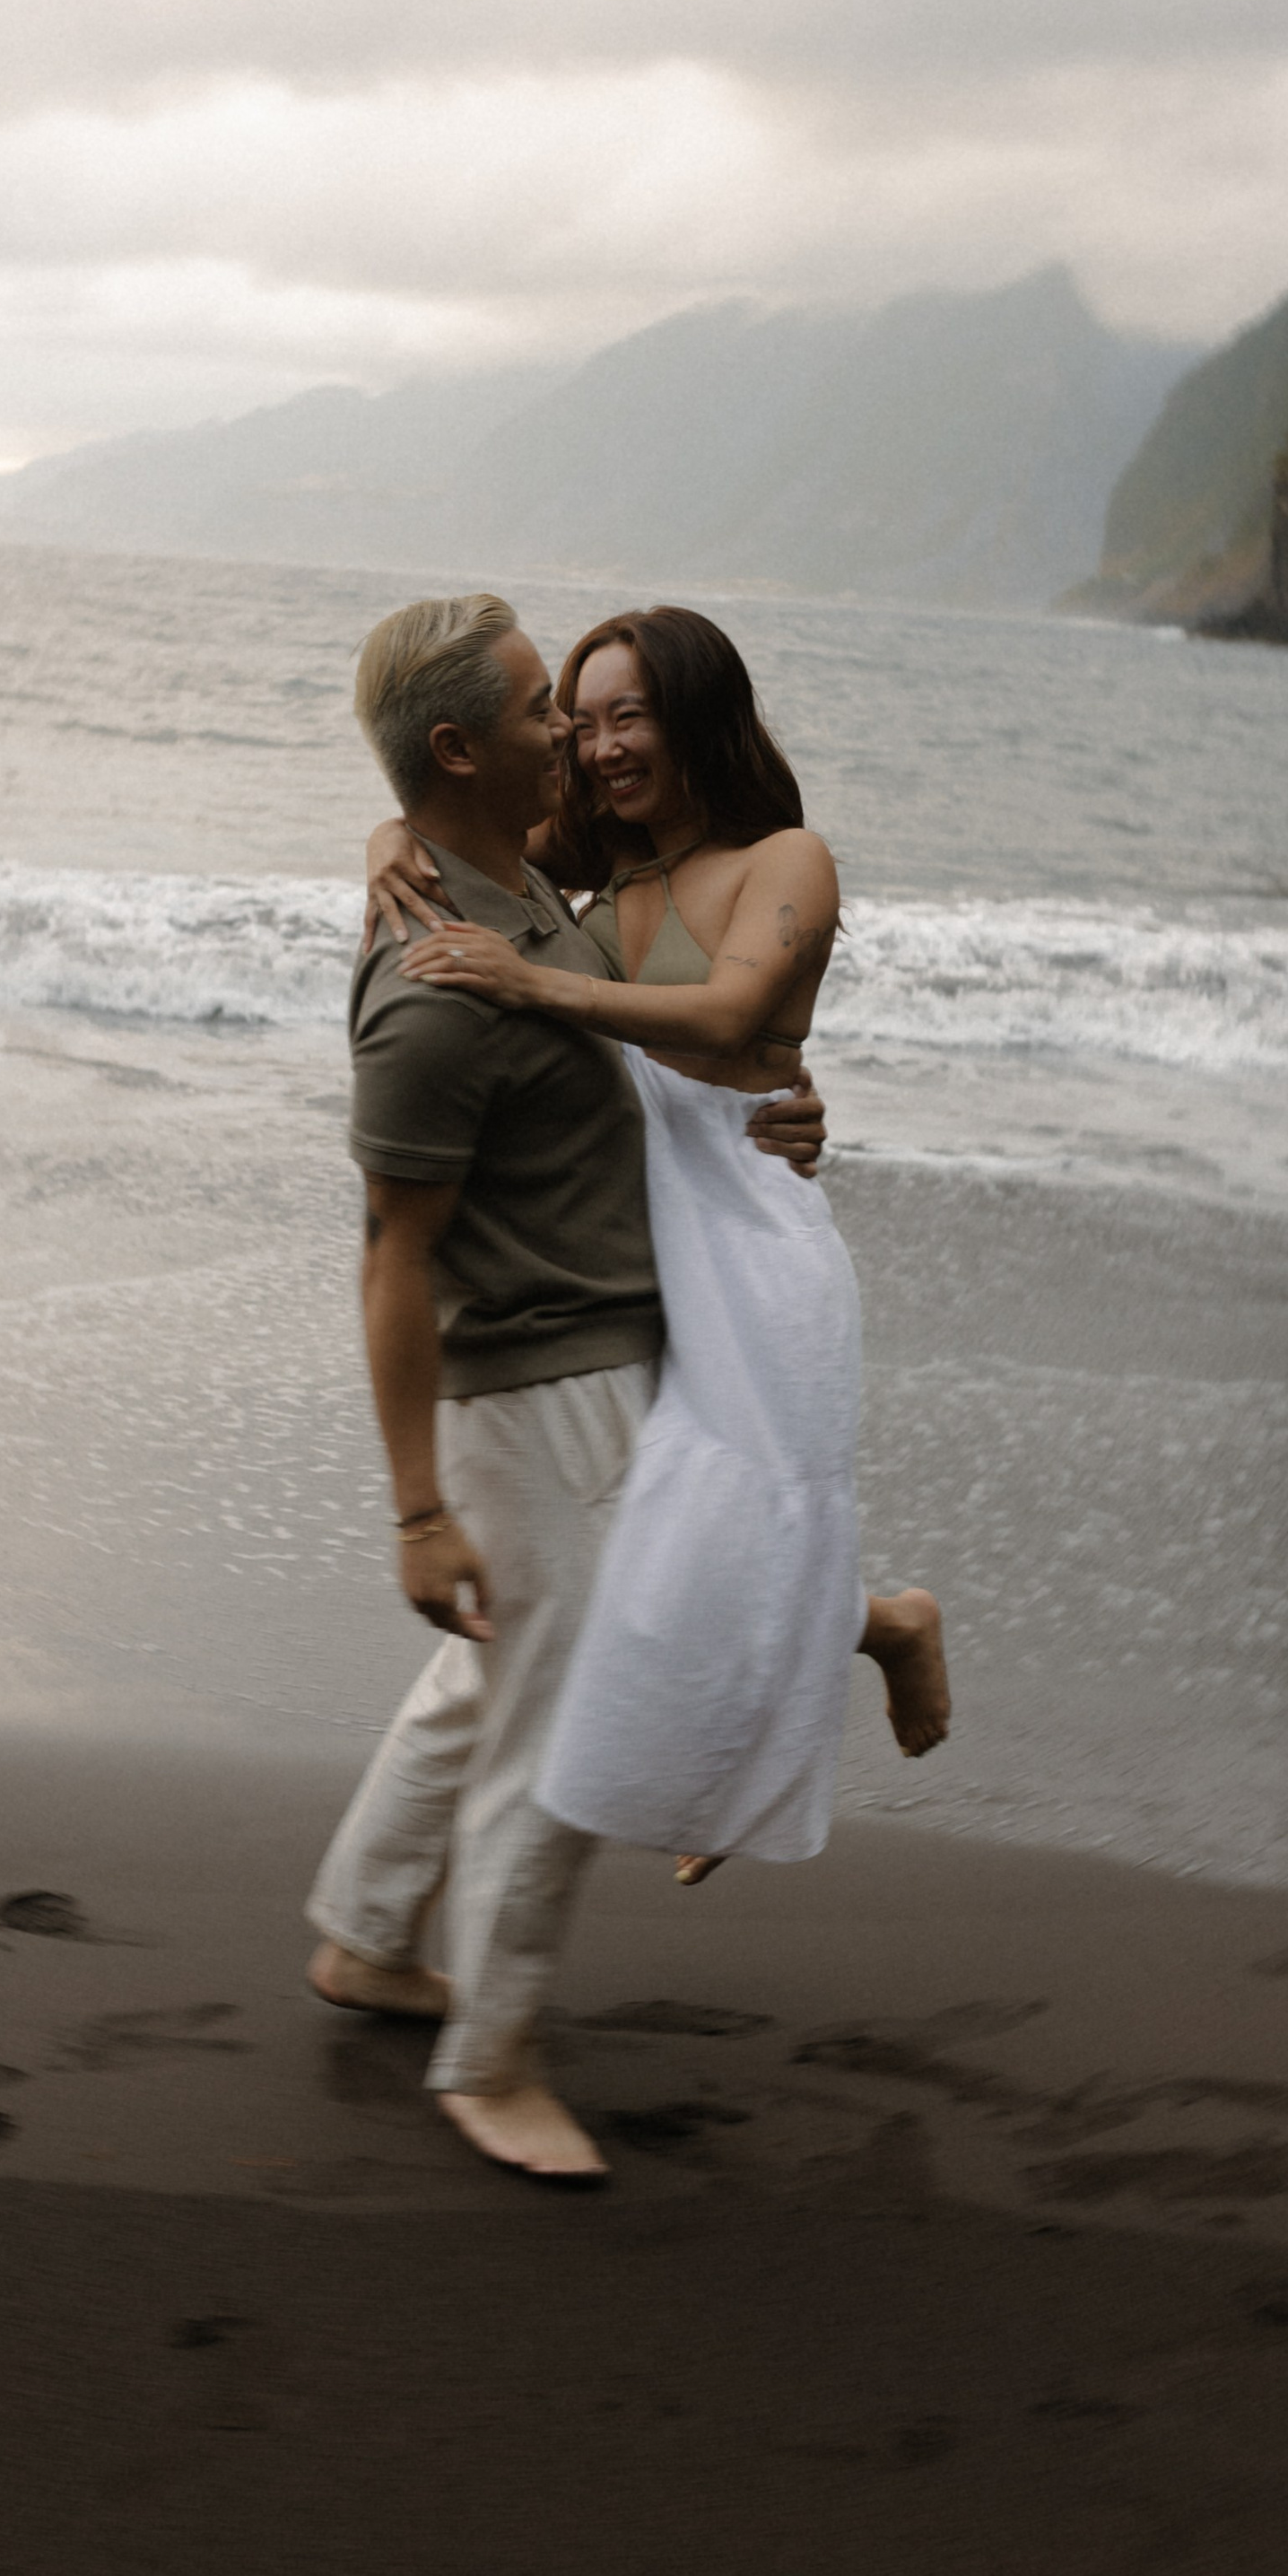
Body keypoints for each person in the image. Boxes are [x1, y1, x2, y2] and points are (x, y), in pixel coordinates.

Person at [304, 592, 831, 2187]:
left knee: (500, 1675)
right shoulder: (438, 986)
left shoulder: (517, 876)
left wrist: (394, 821)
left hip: (596, 1358)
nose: (573, 743)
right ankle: (493, 2054)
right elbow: (394, 1260)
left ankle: (367, 1932)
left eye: (580, 710)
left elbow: (715, 1011)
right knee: (564, 1712)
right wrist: (415, 1513)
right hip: (537, 1388)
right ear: (476, 745)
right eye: (547, 710)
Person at [371, 605, 946, 1891]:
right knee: (667, 1529)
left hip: (752, 1229)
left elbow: (733, 1007)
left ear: (698, 716)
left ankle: (836, 1683)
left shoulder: (790, 858)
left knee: (741, 1517)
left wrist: (539, 986)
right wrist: (381, 851)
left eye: (630, 714)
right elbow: (445, 821)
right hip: (632, 1229)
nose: (601, 744)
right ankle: (879, 1626)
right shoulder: (589, 861)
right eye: (580, 720)